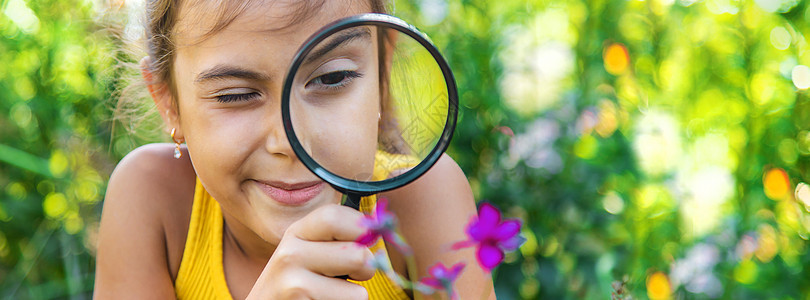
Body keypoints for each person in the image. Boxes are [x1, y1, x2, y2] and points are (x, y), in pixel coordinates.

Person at [93, 0, 494, 299]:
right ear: (169, 103)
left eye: (333, 77)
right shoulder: (152, 197)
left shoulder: (423, 197)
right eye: (236, 95)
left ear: (381, 73)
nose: (290, 144)